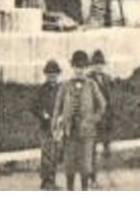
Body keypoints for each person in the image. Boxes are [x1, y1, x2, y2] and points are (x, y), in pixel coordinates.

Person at [52, 50, 107, 191]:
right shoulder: (65, 86)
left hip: (87, 132)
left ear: (86, 68)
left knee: (85, 166)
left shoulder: (91, 85)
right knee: (69, 165)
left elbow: (102, 104)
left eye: (82, 67)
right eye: (77, 67)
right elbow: (57, 106)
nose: (79, 71)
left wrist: (94, 119)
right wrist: (56, 125)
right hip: (69, 132)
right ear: (72, 68)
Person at [88, 49, 115, 185]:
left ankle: (107, 177)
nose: (99, 66)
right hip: (93, 120)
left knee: (106, 148)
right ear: (92, 65)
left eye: (101, 64)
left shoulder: (107, 78)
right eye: (96, 63)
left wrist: (110, 116)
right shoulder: (88, 79)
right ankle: (92, 179)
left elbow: (110, 99)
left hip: (105, 120)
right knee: (91, 150)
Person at [35, 60, 63, 190]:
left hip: (57, 126)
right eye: (50, 75)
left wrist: (62, 116)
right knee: (46, 153)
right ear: (45, 75)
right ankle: (45, 181)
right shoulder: (42, 90)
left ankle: (52, 179)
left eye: (55, 75)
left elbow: (65, 105)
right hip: (45, 126)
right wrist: (43, 114)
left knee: (55, 153)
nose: (52, 78)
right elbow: (34, 106)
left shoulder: (61, 89)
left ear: (58, 75)